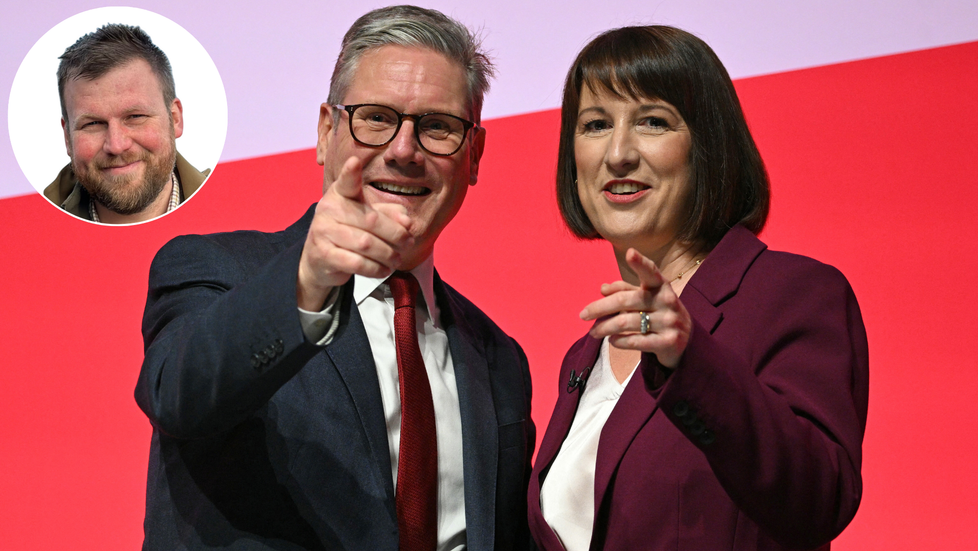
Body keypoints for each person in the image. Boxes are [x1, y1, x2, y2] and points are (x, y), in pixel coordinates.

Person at [135, 6, 533, 550]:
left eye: (438, 127)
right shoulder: (215, 273)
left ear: (475, 155)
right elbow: (180, 395)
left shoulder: (499, 359)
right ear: (326, 132)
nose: (403, 151)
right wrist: (308, 283)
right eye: (375, 117)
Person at [528, 26, 868, 551]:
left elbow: (819, 497)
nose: (618, 153)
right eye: (595, 125)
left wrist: (692, 360)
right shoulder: (585, 354)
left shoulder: (793, 294)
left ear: (708, 148)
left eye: (652, 122)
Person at [45, 23, 209, 224]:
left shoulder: (241, 208)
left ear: (174, 118)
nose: (116, 145)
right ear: (67, 138)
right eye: (93, 123)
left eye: (135, 117)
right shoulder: (22, 230)